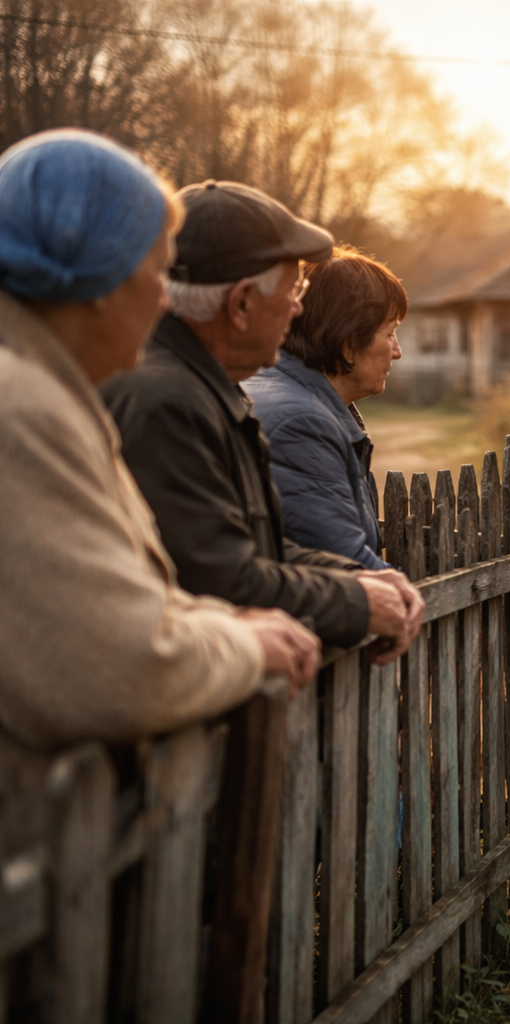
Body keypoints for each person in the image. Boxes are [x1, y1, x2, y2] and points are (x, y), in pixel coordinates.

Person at [0, 130, 319, 751]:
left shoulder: (49, 391)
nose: (162, 295)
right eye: (154, 269)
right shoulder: (23, 408)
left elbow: (121, 595)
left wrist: (216, 622)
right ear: (97, 284)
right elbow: (122, 664)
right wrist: (245, 644)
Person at [101, 181, 422, 663]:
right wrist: (354, 599)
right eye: (291, 290)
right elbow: (219, 579)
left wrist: (352, 578)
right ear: (242, 304)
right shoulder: (168, 402)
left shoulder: (204, 385)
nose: (298, 308)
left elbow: (255, 548)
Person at [245, 245, 405, 568]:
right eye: (390, 334)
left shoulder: (277, 385)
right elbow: (343, 565)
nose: (397, 352)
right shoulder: (301, 424)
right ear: (348, 344)